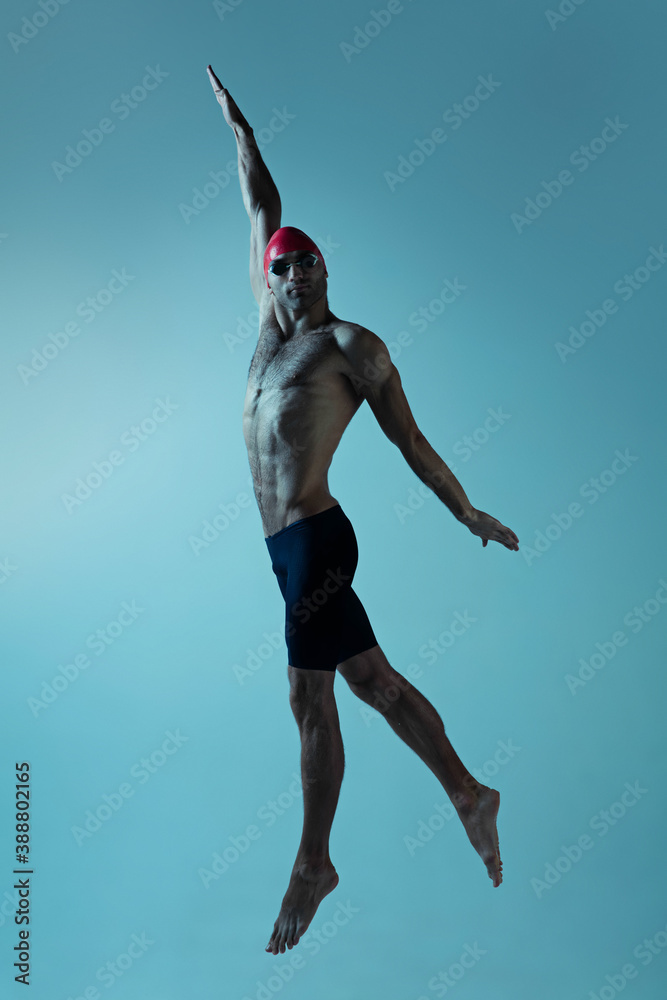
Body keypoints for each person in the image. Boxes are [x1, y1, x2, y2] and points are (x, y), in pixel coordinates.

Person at [207, 65, 520, 957]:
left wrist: (466, 512)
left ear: (325, 269)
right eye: (280, 265)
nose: (292, 272)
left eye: (306, 261)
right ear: (269, 279)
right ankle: (468, 792)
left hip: (317, 540)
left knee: (308, 697)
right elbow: (260, 204)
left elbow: (410, 442)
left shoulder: (349, 345)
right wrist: (241, 132)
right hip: (285, 553)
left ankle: (314, 863)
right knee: (371, 683)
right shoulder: (266, 333)